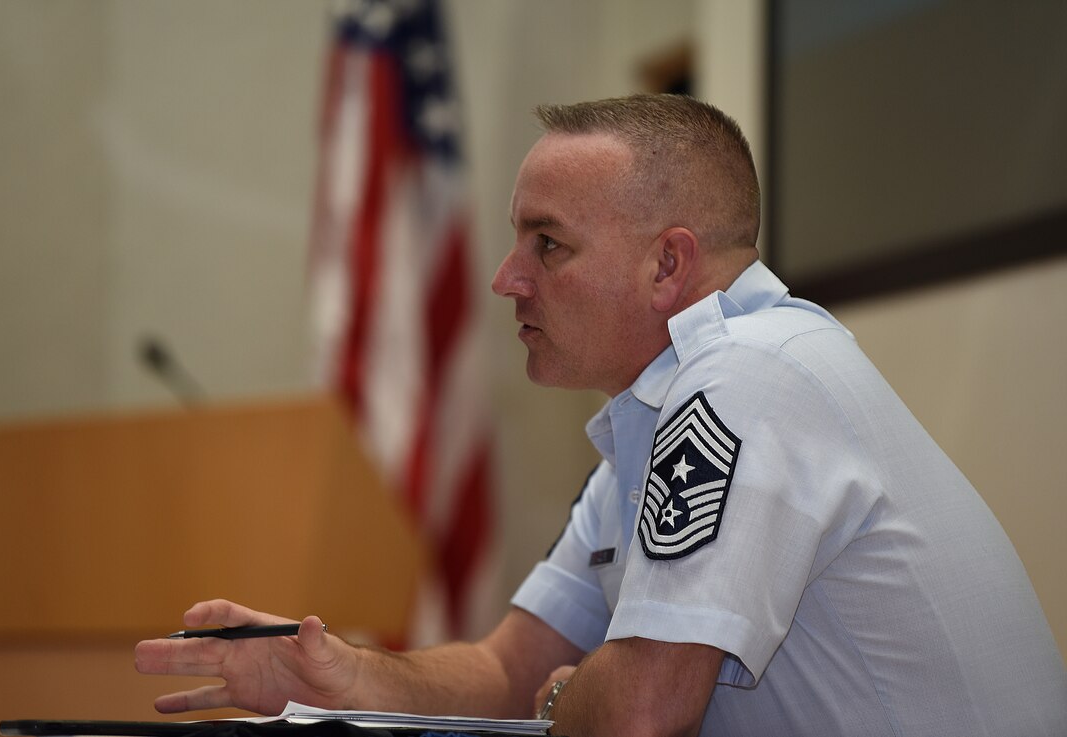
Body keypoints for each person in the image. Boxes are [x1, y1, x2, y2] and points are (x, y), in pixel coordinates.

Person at [136, 94, 1067, 736]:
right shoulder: (657, 417)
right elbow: (513, 670)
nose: (506, 278)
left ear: (669, 264)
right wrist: (339, 675)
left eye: (549, 243)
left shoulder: (748, 377)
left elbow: (639, 713)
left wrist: (569, 699)